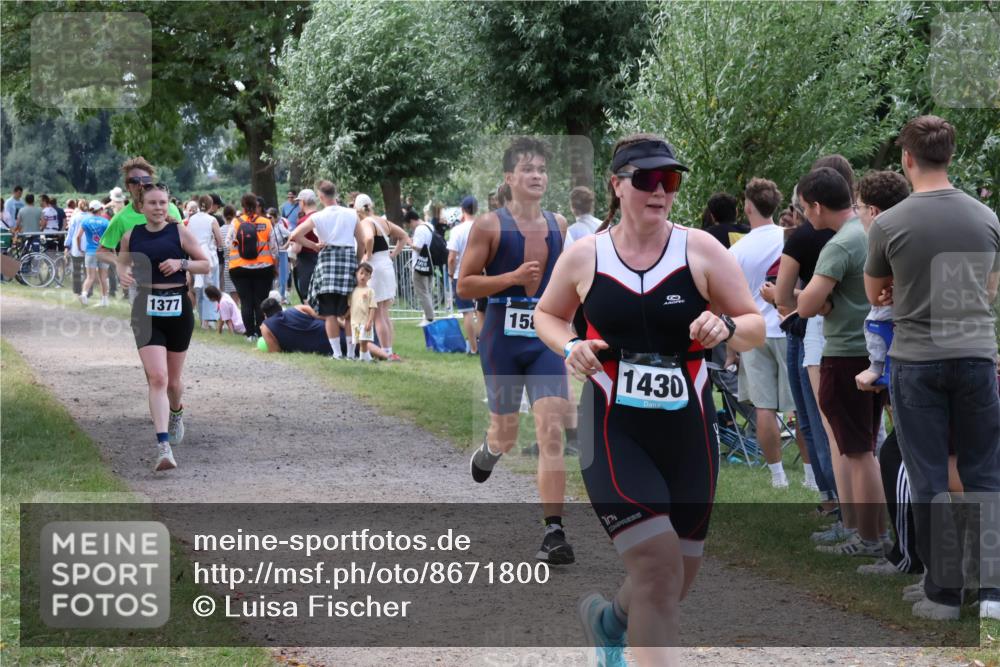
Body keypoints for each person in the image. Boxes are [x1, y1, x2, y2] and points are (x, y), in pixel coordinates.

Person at [533, 133, 764, 665]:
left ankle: (608, 621)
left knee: (673, 581)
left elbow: (754, 325)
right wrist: (569, 345)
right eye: (646, 179)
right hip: (613, 429)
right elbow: (549, 314)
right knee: (658, 570)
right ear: (617, 185)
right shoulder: (585, 255)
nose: (660, 191)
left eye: (671, 180)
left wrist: (726, 324)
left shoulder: (701, 249)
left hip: (688, 431)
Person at [865, 115, 1000, 621]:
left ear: (907, 158)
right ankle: (992, 592)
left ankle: (943, 593)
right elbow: (988, 291)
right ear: (951, 154)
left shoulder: (890, 223)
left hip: (917, 358)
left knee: (928, 478)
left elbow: (873, 292)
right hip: (975, 355)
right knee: (985, 472)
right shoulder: (985, 217)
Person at [457, 136, 576, 565]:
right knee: (506, 434)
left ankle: (554, 532)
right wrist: (508, 278)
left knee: (551, 430)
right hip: (502, 340)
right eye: (528, 169)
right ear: (509, 178)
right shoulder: (490, 225)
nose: (537, 176)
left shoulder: (559, 225)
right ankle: (489, 451)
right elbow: (465, 285)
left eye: (542, 169)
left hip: (545, 339)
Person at [797, 166, 887, 558]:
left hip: (845, 354)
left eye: (804, 208)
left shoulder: (839, 244)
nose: (804, 216)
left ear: (817, 207)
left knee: (857, 452)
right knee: (867, 445)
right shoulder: (868, 232)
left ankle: (869, 538)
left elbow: (804, 304)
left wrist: (820, 301)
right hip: (873, 352)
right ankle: (877, 532)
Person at [114, 182, 210, 472]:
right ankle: (163, 447)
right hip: (146, 308)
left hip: (178, 307)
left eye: (162, 203)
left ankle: (176, 412)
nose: (157, 208)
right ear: (140, 206)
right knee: (157, 377)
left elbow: (205, 264)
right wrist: (123, 274)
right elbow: (121, 263)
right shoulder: (132, 235)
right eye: (152, 203)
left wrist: (181, 263)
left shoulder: (178, 232)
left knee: (173, 383)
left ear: (169, 205)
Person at [763, 185, 839, 516]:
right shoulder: (858, 233)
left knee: (814, 420)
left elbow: (788, 298)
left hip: (811, 334)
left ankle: (834, 500)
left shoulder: (803, 238)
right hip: (857, 339)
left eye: (803, 208)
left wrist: (786, 299)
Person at [728, 178, 797, 488]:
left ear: (748, 206)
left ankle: (778, 476)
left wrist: (731, 346)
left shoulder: (737, 250)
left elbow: (730, 300)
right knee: (801, 408)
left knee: (764, 408)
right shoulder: (790, 237)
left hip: (755, 333)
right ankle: (810, 477)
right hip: (790, 326)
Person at [288, 180, 368, 359]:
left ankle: (337, 353)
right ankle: (351, 354)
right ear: (335, 193)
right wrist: (356, 261)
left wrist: (314, 245)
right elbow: (362, 242)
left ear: (321, 196)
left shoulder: (318, 216)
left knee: (329, 313)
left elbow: (295, 235)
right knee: (348, 312)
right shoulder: (351, 214)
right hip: (348, 262)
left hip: (326, 265)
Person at [97, 157, 184, 273]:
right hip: (138, 284)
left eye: (146, 179)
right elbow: (102, 251)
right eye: (135, 181)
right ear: (127, 187)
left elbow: (187, 245)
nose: (141, 184)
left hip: (172, 282)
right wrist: (121, 264)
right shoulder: (121, 218)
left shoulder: (169, 208)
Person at [356, 193, 408, 360]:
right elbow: (403, 236)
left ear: (358, 209)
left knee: (377, 313)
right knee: (384, 312)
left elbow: (369, 238)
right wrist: (393, 254)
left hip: (375, 266)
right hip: (386, 264)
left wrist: (368, 255)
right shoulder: (382, 221)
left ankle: (385, 351)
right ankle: (388, 349)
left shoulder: (365, 222)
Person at [227, 193, 278, 339]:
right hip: (263, 268)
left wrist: (239, 245)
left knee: (246, 301)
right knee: (260, 301)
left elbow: (227, 243)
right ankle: (260, 332)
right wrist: (274, 265)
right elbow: (273, 247)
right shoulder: (266, 222)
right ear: (257, 206)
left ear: (242, 207)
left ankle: (250, 334)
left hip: (239, 268)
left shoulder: (236, 222)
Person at [447, 195, 481, 354]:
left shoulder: (457, 230)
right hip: (481, 274)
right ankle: (483, 345)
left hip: (461, 275)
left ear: (462, 210)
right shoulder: (483, 228)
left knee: (467, 312)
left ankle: (473, 348)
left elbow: (452, 257)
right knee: (481, 312)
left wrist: (450, 273)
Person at [187, 195, 225, 326]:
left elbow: (188, 237)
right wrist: (217, 244)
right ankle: (209, 319)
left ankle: (202, 317)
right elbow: (220, 241)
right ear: (210, 205)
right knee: (211, 287)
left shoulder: (192, 220)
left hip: (195, 256)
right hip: (209, 257)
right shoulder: (212, 220)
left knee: (198, 288)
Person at [259, 297, 336, 355]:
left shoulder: (266, 327)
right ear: (279, 306)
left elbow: (275, 351)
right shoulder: (299, 308)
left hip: (324, 349)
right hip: (336, 337)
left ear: (265, 315)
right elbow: (326, 316)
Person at [347, 262, 388, 361]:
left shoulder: (370, 291)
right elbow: (350, 306)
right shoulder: (353, 291)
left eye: (366, 274)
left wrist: (370, 321)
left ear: (370, 277)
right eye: (361, 273)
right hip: (354, 322)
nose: (363, 276)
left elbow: (373, 307)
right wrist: (346, 315)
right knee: (358, 341)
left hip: (364, 321)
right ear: (356, 274)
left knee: (364, 341)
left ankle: (362, 358)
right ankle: (367, 358)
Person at [77, 200, 114, 306]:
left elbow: (78, 236)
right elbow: (110, 239)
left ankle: (84, 294)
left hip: (90, 251)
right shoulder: (106, 222)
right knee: (103, 277)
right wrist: (113, 251)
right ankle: (104, 300)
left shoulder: (85, 221)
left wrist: (80, 249)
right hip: (103, 252)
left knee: (90, 277)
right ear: (100, 209)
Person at [290, 189, 320, 303]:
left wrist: (290, 249)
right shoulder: (323, 217)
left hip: (306, 260)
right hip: (322, 258)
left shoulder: (303, 221)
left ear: (303, 202)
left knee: (307, 295)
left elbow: (297, 248)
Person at [408, 209, 436, 325]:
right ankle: (428, 315)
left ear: (411, 221)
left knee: (422, 292)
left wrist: (409, 243)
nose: (410, 227)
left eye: (409, 224)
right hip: (430, 263)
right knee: (427, 290)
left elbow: (419, 247)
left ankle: (429, 318)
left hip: (420, 265)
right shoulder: (429, 226)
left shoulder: (419, 229)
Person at [267, 206, 292, 303]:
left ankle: (282, 297)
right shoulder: (268, 227)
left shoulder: (279, 226)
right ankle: (273, 296)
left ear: (275, 217)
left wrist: (285, 246)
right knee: (273, 276)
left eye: (271, 218)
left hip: (281, 253)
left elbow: (290, 235)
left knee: (283, 276)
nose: (269, 220)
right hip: (272, 254)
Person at [64, 198, 88, 297]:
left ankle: (77, 289)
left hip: (76, 247)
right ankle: (88, 290)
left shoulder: (75, 217)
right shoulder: (91, 217)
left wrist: (67, 244)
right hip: (88, 246)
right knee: (88, 270)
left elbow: (71, 232)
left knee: (76, 270)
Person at [218, 205, 239, 306]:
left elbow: (220, 249)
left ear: (223, 216)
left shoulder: (220, 231)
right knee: (239, 294)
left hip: (227, 264)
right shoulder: (238, 228)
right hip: (239, 263)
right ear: (235, 215)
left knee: (228, 295)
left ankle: (231, 317)